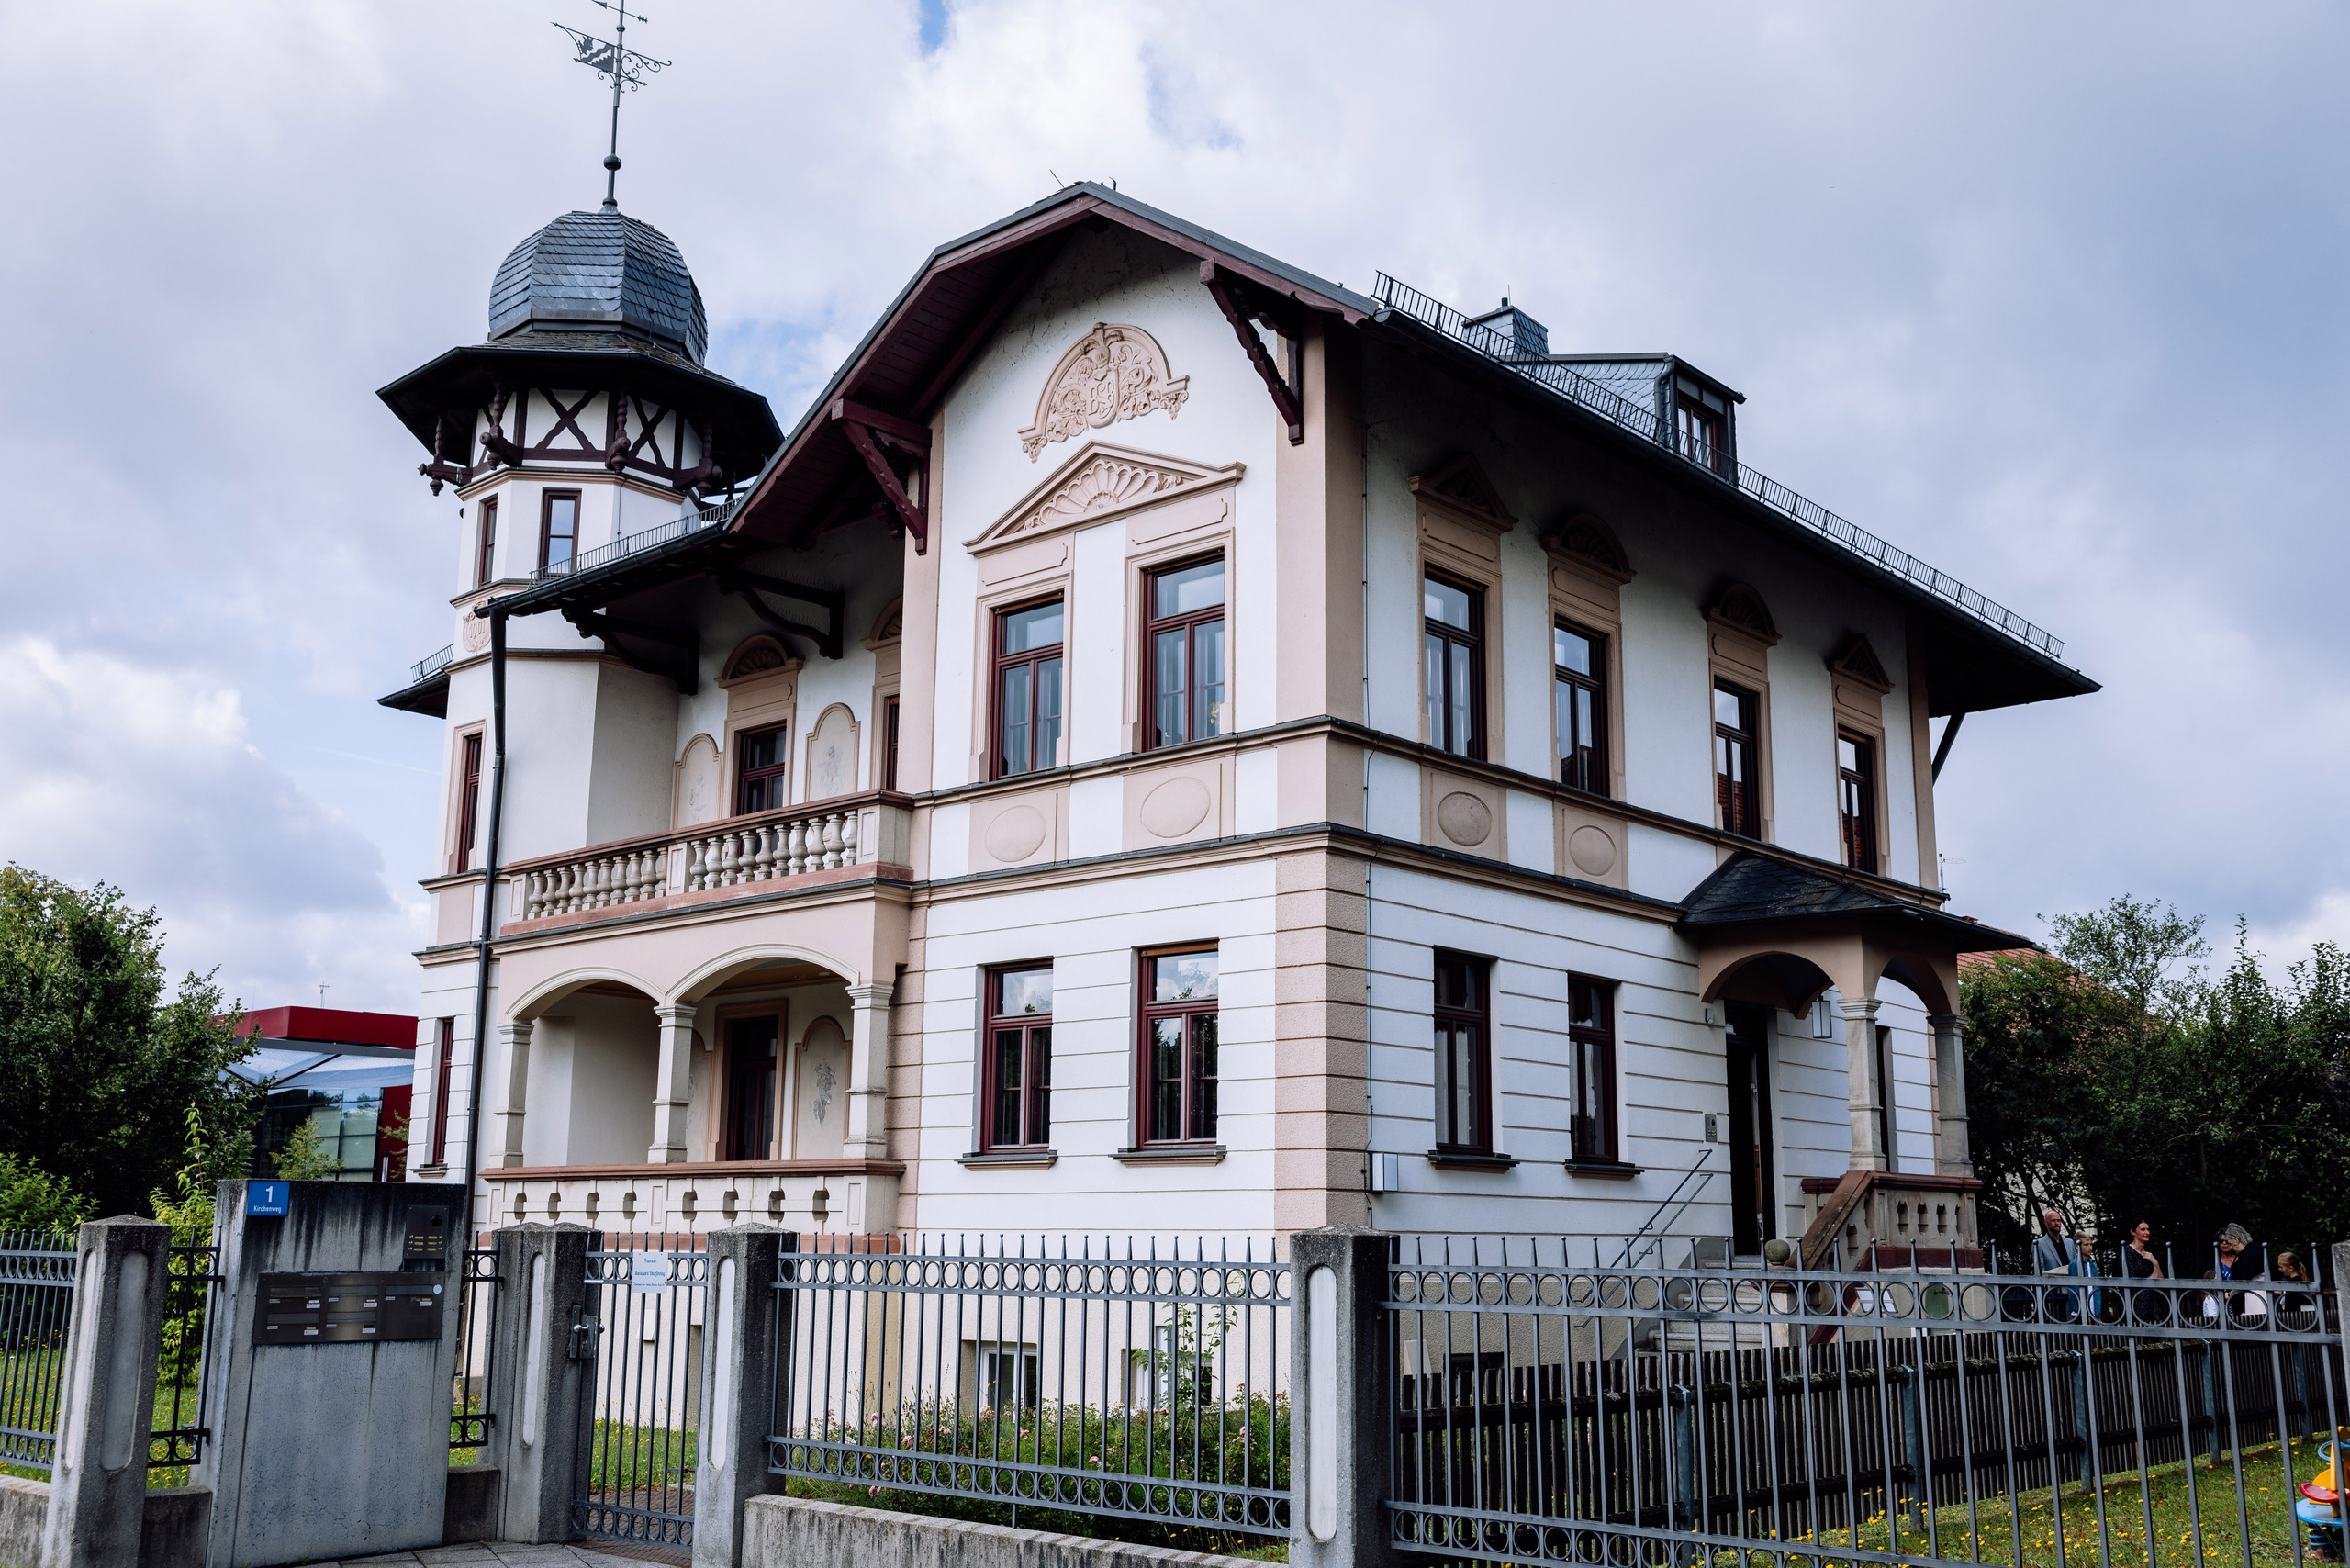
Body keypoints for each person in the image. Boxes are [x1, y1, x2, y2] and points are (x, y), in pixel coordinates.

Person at [2034, 1208, 2086, 1321]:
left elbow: (2074, 1265)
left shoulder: (2069, 1242)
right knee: (2056, 1321)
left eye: (2059, 1220)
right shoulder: (2039, 1244)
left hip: (2070, 1289)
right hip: (2052, 1290)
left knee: (2072, 1320)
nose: (2057, 1223)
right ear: (2046, 1223)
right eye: (2053, 1221)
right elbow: (2039, 1271)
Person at [2120, 1218, 2165, 1322]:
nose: (2147, 1232)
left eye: (2148, 1229)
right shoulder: (2127, 1253)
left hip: (2152, 1302)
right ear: (2133, 1232)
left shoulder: (2148, 1255)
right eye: (2143, 1229)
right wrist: (2152, 1278)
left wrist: (2155, 1263)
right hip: (2136, 1303)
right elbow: (2132, 1282)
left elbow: (2160, 1279)